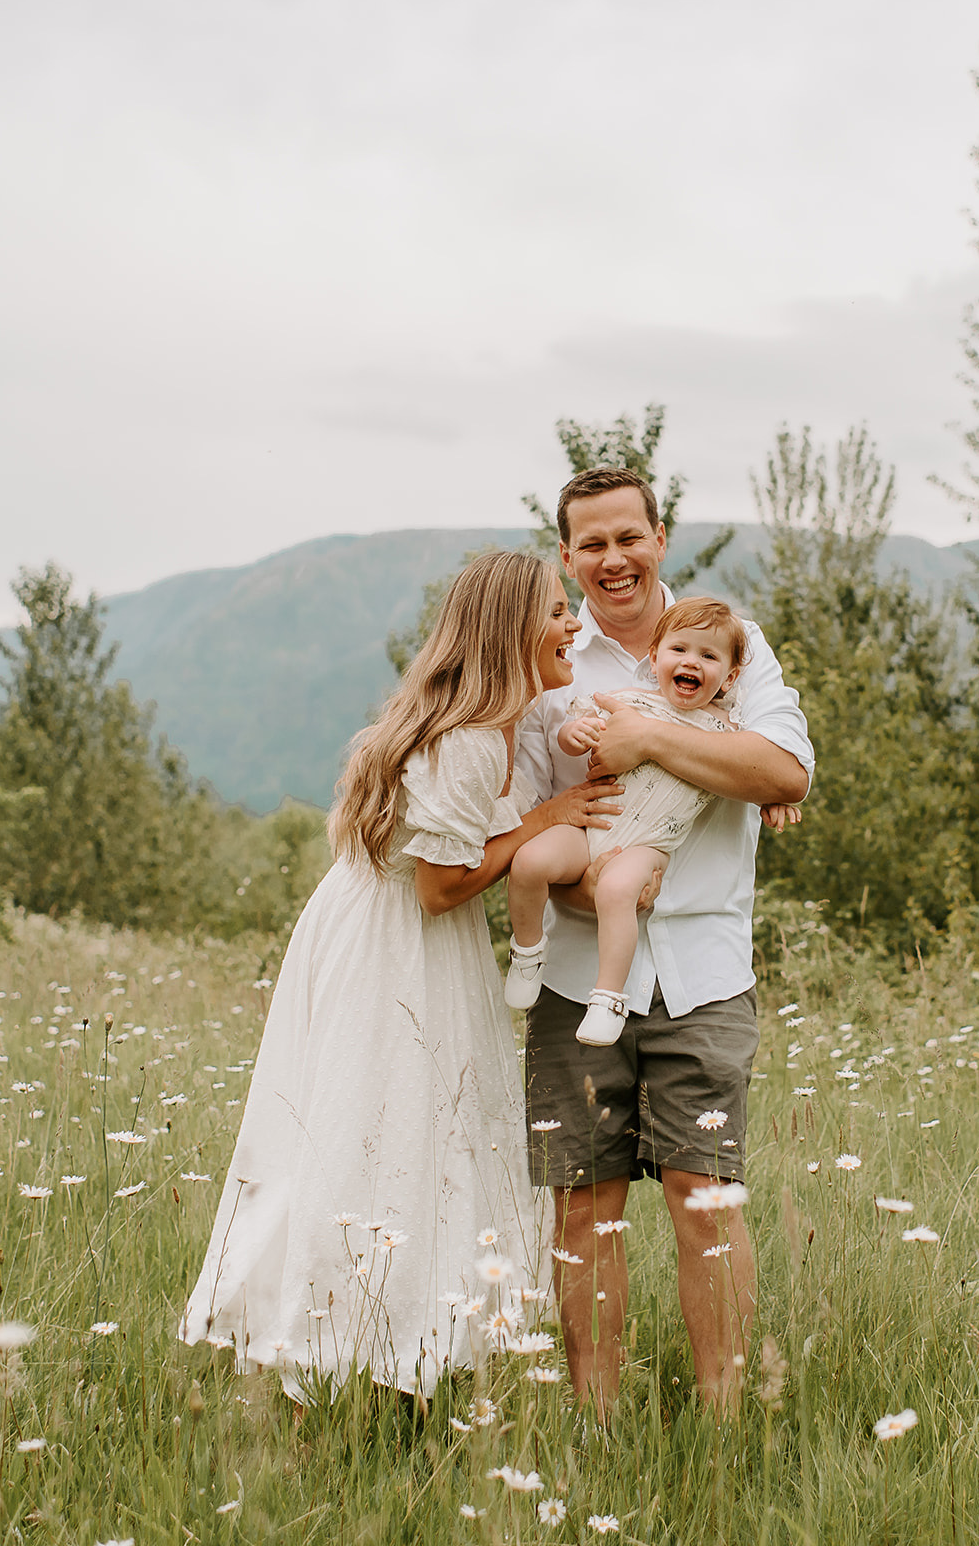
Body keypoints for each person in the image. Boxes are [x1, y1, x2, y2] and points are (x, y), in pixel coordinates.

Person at [179, 550, 622, 1403]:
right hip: (395, 942)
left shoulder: (488, 726)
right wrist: (545, 818)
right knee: (377, 1131)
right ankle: (340, 1343)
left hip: (381, 930)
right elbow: (439, 886)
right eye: (557, 612)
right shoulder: (465, 741)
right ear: (511, 630)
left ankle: (401, 1337)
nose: (573, 626)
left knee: (410, 1133)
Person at [517, 469, 814, 1416]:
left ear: (659, 539)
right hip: (574, 972)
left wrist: (646, 739)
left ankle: (726, 1420)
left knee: (704, 1195)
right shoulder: (553, 662)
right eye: (591, 544)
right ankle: (597, 1422)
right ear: (569, 557)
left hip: (705, 971)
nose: (613, 560)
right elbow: (529, 817)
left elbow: (780, 768)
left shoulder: (734, 642)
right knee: (582, 1203)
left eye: (628, 538)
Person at [506, 597, 800, 1046]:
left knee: (618, 890)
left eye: (708, 656)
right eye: (679, 651)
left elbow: (770, 772)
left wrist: (774, 799)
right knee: (529, 861)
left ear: (731, 675)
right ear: (655, 657)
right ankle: (527, 950)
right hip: (593, 827)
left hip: (646, 844)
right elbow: (573, 729)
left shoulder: (728, 729)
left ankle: (607, 997)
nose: (691, 663)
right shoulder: (630, 702)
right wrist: (573, 734)